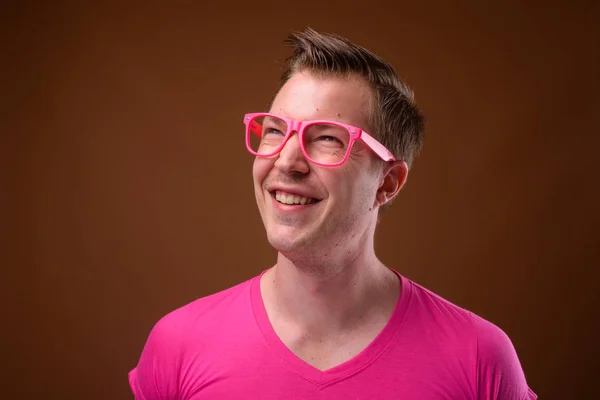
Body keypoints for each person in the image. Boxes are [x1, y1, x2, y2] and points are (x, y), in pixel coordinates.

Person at [128, 28, 537, 399]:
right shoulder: (178, 346)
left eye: (325, 138)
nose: (286, 162)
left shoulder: (479, 360)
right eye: (275, 130)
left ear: (387, 182)